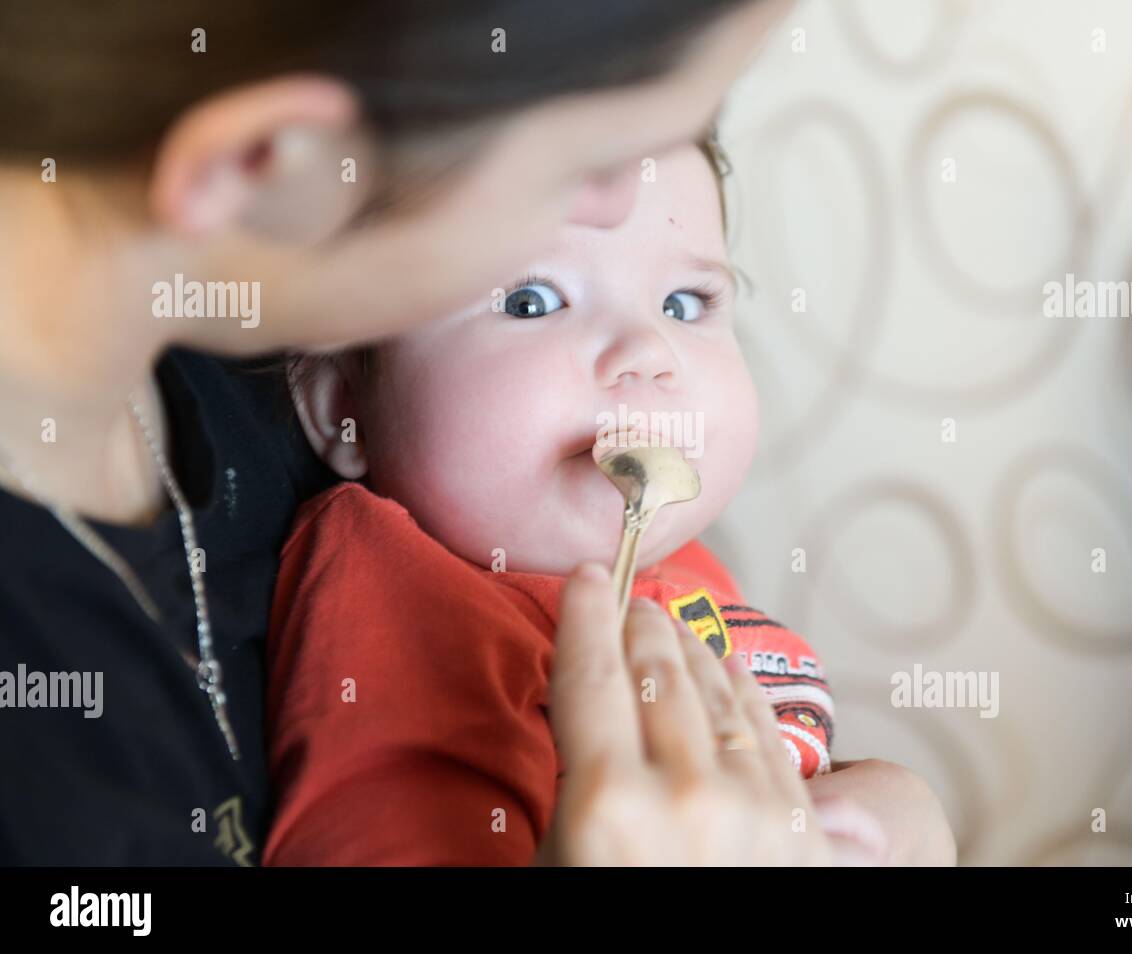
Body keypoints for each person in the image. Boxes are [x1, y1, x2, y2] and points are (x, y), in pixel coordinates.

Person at [0, 0, 953, 866]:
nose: (648, 349)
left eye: (688, 298)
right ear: (271, 163)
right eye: (535, 296)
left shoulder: (672, 567)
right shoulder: (392, 581)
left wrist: (869, 811)